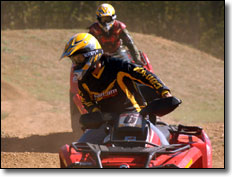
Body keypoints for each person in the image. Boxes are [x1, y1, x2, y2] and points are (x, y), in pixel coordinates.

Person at [60, 33, 172, 145]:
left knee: (163, 145)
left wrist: (164, 92)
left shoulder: (117, 66)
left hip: (136, 116)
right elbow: (86, 101)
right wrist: (97, 114)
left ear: (91, 54)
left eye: (78, 59)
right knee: (79, 147)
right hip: (108, 121)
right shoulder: (83, 80)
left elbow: (144, 74)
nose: (76, 64)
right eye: (74, 60)